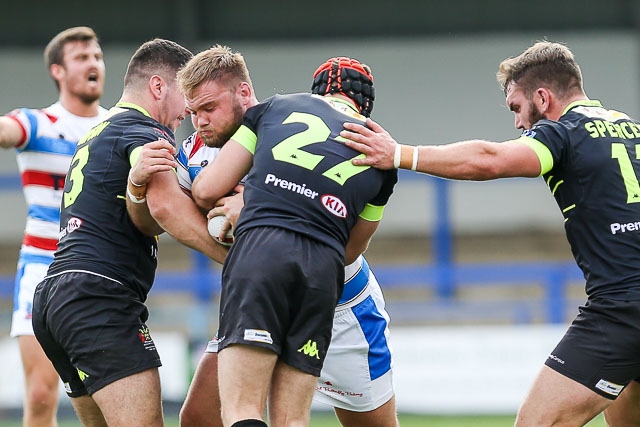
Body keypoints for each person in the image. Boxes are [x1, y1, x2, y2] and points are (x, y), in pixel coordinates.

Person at [340, 39, 640, 427]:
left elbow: (490, 160)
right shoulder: (632, 129)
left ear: (543, 98)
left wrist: (398, 153)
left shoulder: (563, 133)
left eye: (517, 108)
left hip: (620, 308)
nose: (518, 122)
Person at [126, 45, 397, 427]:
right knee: (200, 417)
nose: (199, 122)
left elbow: (348, 241)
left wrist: (254, 208)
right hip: (261, 282)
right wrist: (137, 187)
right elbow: (159, 214)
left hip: (341, 304)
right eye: (194, 112)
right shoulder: (195, 151)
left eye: (209, 109)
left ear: (242, 93)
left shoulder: (280, 119)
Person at [30, 38, 227, 427]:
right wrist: (236, 259)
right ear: (158, 87)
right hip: (98, 298)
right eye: (185, 97)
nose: (187, 113)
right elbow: (167, 208)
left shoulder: (99, 131)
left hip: (56, 297)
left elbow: (147, 219)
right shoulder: (145, 130)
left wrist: (137, 188)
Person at [0, 26, 107, 427]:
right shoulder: (38, 123)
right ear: (57, 71)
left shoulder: (115, 127)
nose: (93, 64)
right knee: (43, 394)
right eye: (82, 58)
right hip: (41, 269)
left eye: (96, 56)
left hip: (100, 270)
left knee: (104, 394)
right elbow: (7, 130)